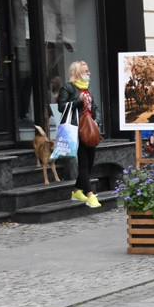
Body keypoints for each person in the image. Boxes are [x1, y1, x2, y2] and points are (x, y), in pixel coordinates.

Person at [57, 60, 101, 208]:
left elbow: (95, 107)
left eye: (88, 70)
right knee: (83, 163)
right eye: (85, 71)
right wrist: (78, 101)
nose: (89, 73)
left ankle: (76, 190)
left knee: (90, 163)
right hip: (77, 129)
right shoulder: (68, 88)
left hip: (90, 130)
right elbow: (61, 107)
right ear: (77, 73)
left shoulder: (88, 89)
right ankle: (89, 194)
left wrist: (97, 121)